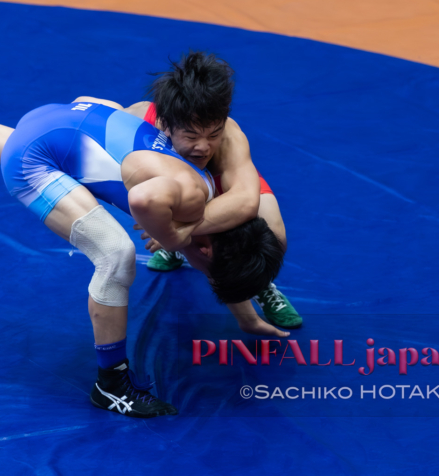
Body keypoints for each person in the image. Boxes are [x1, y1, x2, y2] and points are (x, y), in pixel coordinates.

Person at [0, 94, 288, 417]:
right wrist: (170, 237)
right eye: (207, 270)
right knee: (117, 255)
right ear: (205, 248)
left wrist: (247, 317)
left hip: (58, 118)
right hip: (35, 159)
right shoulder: (189, 199)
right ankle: (111, 385)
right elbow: (143, 200)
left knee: (31, 143)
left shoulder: (203, 191)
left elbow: (212, 246)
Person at [122, 50, 303, 329]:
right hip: (170, 186)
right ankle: (178, 250)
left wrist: (175, 230)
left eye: (213, 134)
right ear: (165, 124)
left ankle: (259, 282)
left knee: (273, 238)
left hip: (224, 183)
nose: (204, 147)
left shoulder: (230, 135)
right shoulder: (134, 121)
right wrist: (172, 231)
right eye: (192, 136)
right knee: (204, 248)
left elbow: (245, 202)